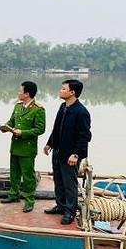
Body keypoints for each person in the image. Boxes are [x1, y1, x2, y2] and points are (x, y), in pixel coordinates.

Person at [43, 79, 91, 225]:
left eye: (63, 89)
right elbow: (56, 128)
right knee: (58, 179)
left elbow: (85, 136)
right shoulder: (63, 107)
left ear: (72, 92)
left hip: (71, 155)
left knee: (69, 184)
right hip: (58, 151)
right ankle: (61, 206)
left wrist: (76, 154)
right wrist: (49, 143)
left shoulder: (81, 112)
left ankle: (70, 212)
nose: (60, 90)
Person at [0, 81, 46, 213]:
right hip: (15, 146)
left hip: (27, 148)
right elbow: (12, 121)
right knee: (14, 173)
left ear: (27, 94)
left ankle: (29, 200)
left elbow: (40, 129)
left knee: (28, 176)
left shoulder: (38, 109)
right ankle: (14, 195)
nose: (18, 93)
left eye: (20, 91)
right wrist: (5, 127)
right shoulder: (18, 107)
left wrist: (23, 133)